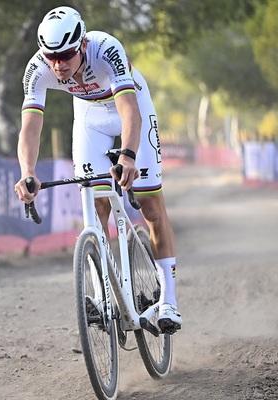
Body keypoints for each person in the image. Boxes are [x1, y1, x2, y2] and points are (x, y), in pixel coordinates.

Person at [14, 6, 182, 333]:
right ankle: (105, 293)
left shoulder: (106, 49)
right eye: (51, 57)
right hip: (91, 116)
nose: (58, 64)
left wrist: (129, 157)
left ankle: (169, 300)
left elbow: (129, 110)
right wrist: (27, 171)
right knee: (96, 202)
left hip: (131, 106)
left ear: (82, 45)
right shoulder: (38, 68)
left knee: (151, 207)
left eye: (65, 55)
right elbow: (30, 126)